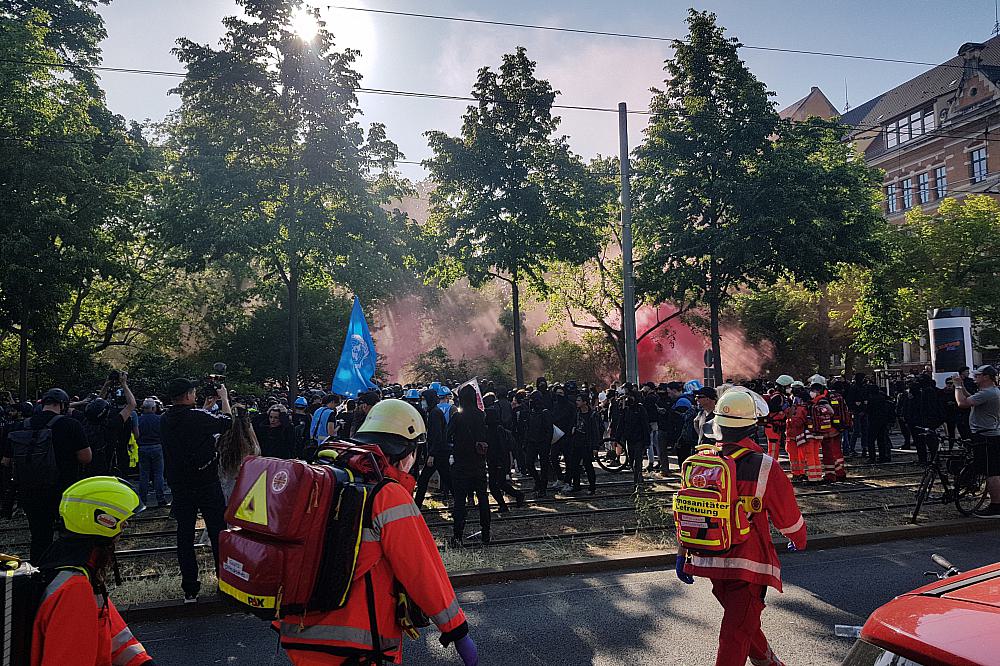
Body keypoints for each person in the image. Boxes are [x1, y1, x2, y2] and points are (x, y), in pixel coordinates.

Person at [277, 400, 479, 665]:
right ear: (407, 451)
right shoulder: (388, 494)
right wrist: (457, 630)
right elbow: (422, 570)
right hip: (356, 644)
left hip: (298, 630)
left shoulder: (327, 478)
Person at [676, 388, 807, 666]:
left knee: (744, 622)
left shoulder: (702, 463)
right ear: (752, 426)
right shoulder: (764, 466)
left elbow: (687, 511)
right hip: (748, 564)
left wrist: (681, 553)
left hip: (708, 556)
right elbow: (789, 519)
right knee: (736, 632)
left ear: (718, 426)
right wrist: (799, 539)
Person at [31, 476, 153, 665]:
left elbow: (116, 637)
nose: (125, 527)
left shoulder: (74, 571)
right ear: (104, 523)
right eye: (122, 523)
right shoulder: (75, 589)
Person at [160, 378, 232, 602]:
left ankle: (190, 587)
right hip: (206, 482)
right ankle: (224, 583)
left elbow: (190, 426)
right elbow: (227, 422)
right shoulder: (199, 417)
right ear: (189, 394)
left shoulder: (164, 419)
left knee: (185, 536)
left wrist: (205, 409)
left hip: (179, 485)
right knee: (218, 532)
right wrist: (224, 398)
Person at [1, 388, 92, 562]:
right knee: (69, 535)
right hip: (63, 491)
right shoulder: (70, 425)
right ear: (62, 405)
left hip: (29, 492)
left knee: (39, 536)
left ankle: (38, 574)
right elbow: (86, 457)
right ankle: (63, 572)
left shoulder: (20, 425)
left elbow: (5, 461)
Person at [953, 365, 1000, 518]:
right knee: (989, 468)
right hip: (988, 434)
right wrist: (963, 388)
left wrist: (958, 386)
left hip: (986, 436)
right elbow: (970, 398)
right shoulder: (990, 392)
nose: (974, 377)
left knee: (991, 471)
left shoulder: (988, 393)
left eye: (977, 375)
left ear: (986, 377)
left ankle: (996, 506)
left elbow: (962, 403)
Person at [449, 385, 490, 546]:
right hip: (479, 463)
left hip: (461, 464)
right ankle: (486, 533)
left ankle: (457, 536)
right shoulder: (481, 415)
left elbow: (448, 434)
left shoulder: (457, 416)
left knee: (459, 501)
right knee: (483, 498)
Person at [483, 393, 525, 511]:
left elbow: (500, 448)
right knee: (500, 483)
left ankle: (504, 504)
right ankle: (514, 497)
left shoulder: (495, 432)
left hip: (498, 461)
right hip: (498, 461)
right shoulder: (498, 429)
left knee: (495, 484)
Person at [414, 388, 452, 508]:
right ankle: (460, 501)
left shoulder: (435, 414)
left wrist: (431, 455)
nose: (422, 402)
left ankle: (416, 506)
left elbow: (436, 436)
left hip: (437, 453)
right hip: (440, 452)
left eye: (424, 400)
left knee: (423, 480)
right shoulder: (434, 412)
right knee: (447, 479)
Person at [216, 406, 260, 503]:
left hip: (222, 490)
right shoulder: (251, 445)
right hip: (243, 493)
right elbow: (258, 452)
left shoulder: (220, 440)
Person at [807, 375, 846, 482]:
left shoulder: (822, 399)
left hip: (827, 430)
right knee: (836, 452)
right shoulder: (831, 395)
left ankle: (832, 475)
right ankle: (839, 472)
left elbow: (830, 412)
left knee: (828, 454)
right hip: (836, 429)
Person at [565, 392, 600, 495]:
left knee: (588, 465)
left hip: (587, 443)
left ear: (585, 402)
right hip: (576, 442)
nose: (577, 402)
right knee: (574, 465)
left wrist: (595, 446)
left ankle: (592, 487)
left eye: (579, 400)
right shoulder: (577, 413)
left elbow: (595, 431)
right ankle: (576, 485)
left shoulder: (592, 414)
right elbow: (573, 424)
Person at [136, 398, 168, 508]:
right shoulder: (159, 419)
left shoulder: (138, 420)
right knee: (158, 474)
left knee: (144, 475)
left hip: (143, 447)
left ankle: (142, 500)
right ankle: (161, 499)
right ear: (154, 408)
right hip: (157, 447)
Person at [618, 390, 651, 490]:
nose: (628, 399)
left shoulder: (641, 409)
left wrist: (647, 442)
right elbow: (621, 424)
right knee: (632, 460)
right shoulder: (626, 410)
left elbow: (645, 426)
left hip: (639, 439)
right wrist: (617, 438)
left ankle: (637, 482)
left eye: (631, 397)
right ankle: (639, 478)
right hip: (629, 439)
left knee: (637, 462)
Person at [524, 391, 554, 497]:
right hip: (532, 442)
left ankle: (543, 487)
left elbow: (549, 430)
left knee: (544, 466)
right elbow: (527, 427)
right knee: (529, 463)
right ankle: (538, 481)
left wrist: (547, 442)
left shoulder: (545, 412)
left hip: (542, 443)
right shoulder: (530, 412)